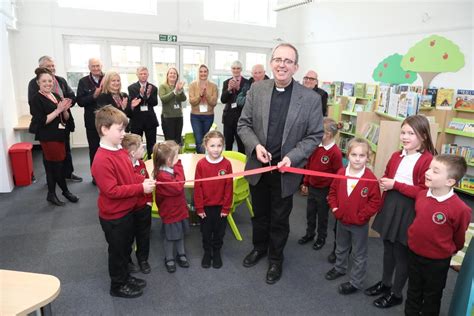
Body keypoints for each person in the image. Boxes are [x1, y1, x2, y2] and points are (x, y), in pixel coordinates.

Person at [237, 43, 324, 284]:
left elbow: (314, 135)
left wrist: (293, 156)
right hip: (259, 166)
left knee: (279, 218)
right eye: (278, 59)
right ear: (271, 63)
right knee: (259, 214)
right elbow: (243, 125)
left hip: (286, 170)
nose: (282, 64)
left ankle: (276, 259)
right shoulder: (257, 90)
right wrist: (256, 146)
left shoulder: (310, 99)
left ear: (295, 67)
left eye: (288, 61)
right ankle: (259, 248)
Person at [366, 115, 437, 308]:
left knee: (401, 253)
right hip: (391, 204)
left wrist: (395, 184)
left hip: (409, 209)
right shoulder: (397, 155)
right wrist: (385, 181)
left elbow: (424, 191)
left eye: (411, 133)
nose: (405, 137)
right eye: (403, 132)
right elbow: (388, 174)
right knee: (388, 247)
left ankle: (397, 293)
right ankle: (386, 283)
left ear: (423, 135)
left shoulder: (428, 160)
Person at [91, 105, 155, 298]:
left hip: (126, 212)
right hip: (114, 216)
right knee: (118, 253)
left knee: (126, 247)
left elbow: (128, 176)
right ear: (104, 129)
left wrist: (141, 180)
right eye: (120, 130)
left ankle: (126, 277)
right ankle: (118, 285)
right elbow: (112, 191)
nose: (124, 134)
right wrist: (140, 188)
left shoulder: (119, 150)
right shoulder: (102, 159)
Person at [405, 154, 471, 315]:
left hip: (437, 261)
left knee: (432, 295)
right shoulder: (422, 195)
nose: (427, 173)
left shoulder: (461, 209)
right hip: (414, 253)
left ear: (450, 181)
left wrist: (453, 249)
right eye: (429, 168)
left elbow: (459, 235)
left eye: (435, 171)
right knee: (413, 289)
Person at [325, 138, 382, 295]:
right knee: (341, 246)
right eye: (354, 154)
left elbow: (375, 202)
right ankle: (340, 268)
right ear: (347, 155)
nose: (357, 159)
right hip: (341, 220)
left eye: (362, 155)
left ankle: (356, 282)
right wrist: (335, 209)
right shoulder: (341, 173)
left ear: (368, 157)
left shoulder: (370, 179)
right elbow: (332, 193)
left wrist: (361, 217)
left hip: (359, 225)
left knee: (359, 253)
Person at [28, 56, 82, 182]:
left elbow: (71, 95)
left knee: (66, 149)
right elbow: (34, 104)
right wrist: (56, 109)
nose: (52, 68)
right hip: (48, 126)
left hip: (63, 120)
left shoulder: (60, 80)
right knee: (50, 156)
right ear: (41, 69)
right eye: (48, 66)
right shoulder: (33, 84)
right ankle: (52, 179)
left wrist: (66, 104)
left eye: (53, 66)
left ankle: (68, 173)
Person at [298, 118, 343, 252]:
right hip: (312, 187)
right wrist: (305, 182)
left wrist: (332, 192)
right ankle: (309, 233)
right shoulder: (316, 147)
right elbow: (309, 166)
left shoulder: (335, 152)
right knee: (310, 213)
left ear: (328, 134)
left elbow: (338, 174)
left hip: (325, 190)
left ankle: (321, 238)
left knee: (322, 216)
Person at [194, 131, 233, 269]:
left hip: (220, 207)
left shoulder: (227, 164)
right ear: (205, 146)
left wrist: (226, 208)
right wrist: (199, 208)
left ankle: (216, 252)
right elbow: (197, 187)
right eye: (212, 145)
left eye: (219, 145)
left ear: (223, 146)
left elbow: (229, 188)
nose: (216, 149)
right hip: (205, 207)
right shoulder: (201, 164)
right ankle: (207, 252)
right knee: (205, 232)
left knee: (219, 232)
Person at [153, 140, 190, 273]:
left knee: (179, 234)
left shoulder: (169, 169)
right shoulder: (163, 176)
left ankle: (181, 254)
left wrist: (176, 165)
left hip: (178, 209)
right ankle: (169, 257)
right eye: (176, 157)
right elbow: (179, 186)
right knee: (170, 237)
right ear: (169, 160)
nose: (178, 159)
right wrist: (179, 166)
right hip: (171, 212)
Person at [121, 134, 152, 275]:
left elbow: (148, 182)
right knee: (127, 238)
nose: (144, 149)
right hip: (128, 210)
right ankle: (127, 261)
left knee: (144, 236)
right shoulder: (123, 168)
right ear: (133, 152)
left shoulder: (142, 164)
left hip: (143, 207)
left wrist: (149, 201)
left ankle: (143, 259)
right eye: (142, 147)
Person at [77, 58, 105, 172]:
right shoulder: (83, 81)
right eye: (93, 66)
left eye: (98, 65)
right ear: (89, 67)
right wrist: (94, 95)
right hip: (91, 121)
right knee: (94, 149)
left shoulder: (107, 78)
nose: (96, 68)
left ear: (101, 66)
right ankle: (95, 174)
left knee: (108, 149)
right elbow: (80, 101)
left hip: (107, 121)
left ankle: (108, 173)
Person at [127, 67, 159, 158]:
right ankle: (138, 164)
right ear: (137, 75)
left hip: (150, 120)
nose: (143, 75)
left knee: (152, 145)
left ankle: (151, 163)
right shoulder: (131, 88)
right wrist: (141, 95)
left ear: (148, 75)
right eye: (141, 74)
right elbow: (134, 102)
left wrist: (148, 96)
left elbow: (154, 103)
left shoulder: (153, 88)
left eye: (145, 74)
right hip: (137, 121)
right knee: (136, 145)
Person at [188, 64, 218, 153]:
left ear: (207, 73)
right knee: (198, 140)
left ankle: (204, 159)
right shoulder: (193, 85)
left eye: (205, 71)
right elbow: (192, 101)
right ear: (198, 73)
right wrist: (199, 95)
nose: (203, 73)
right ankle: (200, 161)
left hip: (208, 117)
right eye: (201, 71)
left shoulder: (213, 86)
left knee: (205, 140)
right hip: (195, 116)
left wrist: (206, 95)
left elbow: (213, 102)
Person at [221, 60, 248, 153]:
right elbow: (223, 100)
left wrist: (238, 88)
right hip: (228, 118)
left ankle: (241, 166)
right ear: (231, 70)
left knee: (241, 145)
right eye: (234, 68)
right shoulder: (226, 82)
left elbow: (248, 100)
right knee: (228, 144)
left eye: (238, 68)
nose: (236, 70)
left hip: (241, 118)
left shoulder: (247, 83)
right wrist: (228, 89)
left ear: (241, 70)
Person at [159, 67, 186, 145]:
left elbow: (183, 99)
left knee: (178, 141)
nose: (172, 75)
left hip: (178, 116)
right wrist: (174, 91)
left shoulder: (179, 86)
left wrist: (180, 91)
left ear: (177, 76)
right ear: (167, 75)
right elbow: (163, 99)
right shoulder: (163, 86)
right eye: (171, 73)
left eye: (174, 73)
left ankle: (177, 156)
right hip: (167, 117)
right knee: (169, 142)